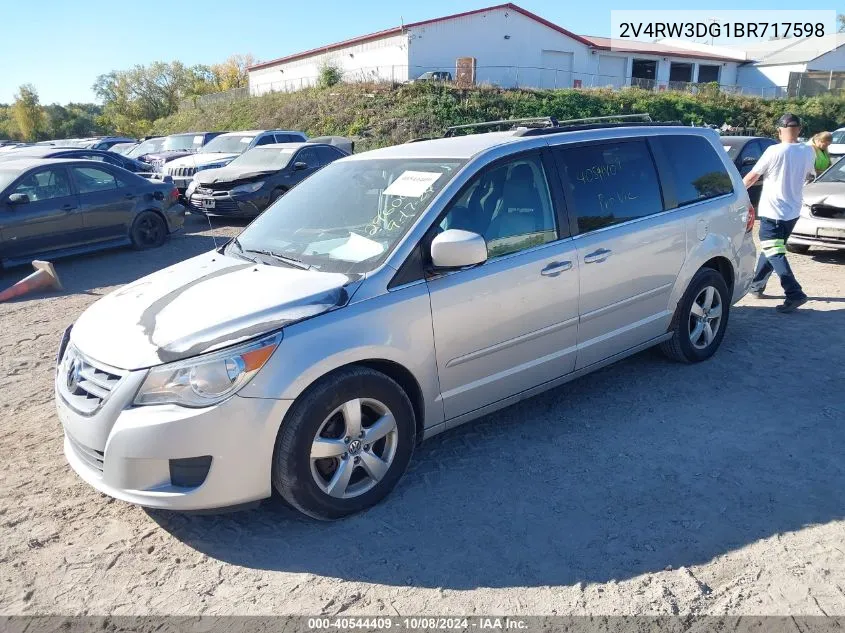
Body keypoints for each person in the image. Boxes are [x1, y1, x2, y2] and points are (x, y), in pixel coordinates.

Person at [743, 113, 815, 313]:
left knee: (775, 251)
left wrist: (737, 195)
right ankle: (757, 286)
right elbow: (809, 176)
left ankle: (794, 293)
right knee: (772, 249)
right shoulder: (808, 151)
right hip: (792, 211)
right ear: (799, 130)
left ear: (779, 130)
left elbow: (751, 177)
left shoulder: (773, 151)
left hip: (772, 210)